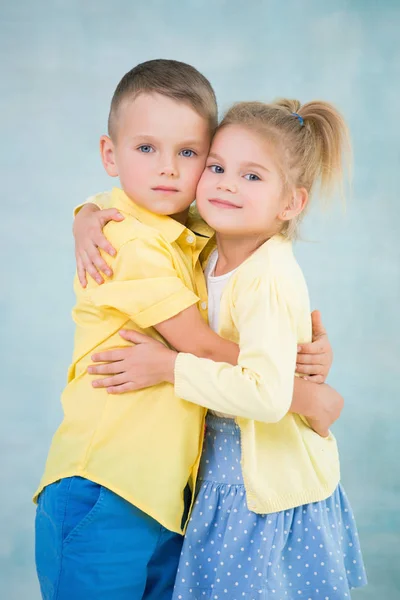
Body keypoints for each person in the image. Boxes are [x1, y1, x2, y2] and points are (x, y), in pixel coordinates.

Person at [35, 56, 342, 599]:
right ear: (111, 154)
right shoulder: (125, 240)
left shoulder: (194, 226)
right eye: (146, 149)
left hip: (167, 497)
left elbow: (251, 221)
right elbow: (200, 345)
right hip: (105, 484)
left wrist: (298, 348)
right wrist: (304, 396)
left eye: (190, 154)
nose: (168, 170)